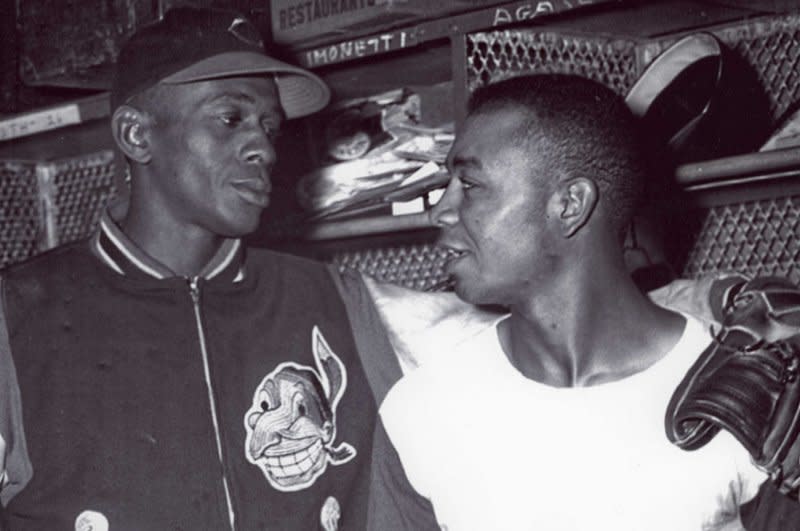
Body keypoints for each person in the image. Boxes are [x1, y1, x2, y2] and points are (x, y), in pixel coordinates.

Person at [0, 7, 408, 529]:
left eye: (268, 126)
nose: (262, 146)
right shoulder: (19, 312)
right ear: (136, 136)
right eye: (229, 118)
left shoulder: (336, 299)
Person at [372, 74, 772, 530]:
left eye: (471, 184)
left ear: (570, 204)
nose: (439, 210)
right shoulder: (422, 410)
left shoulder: (747, 397)